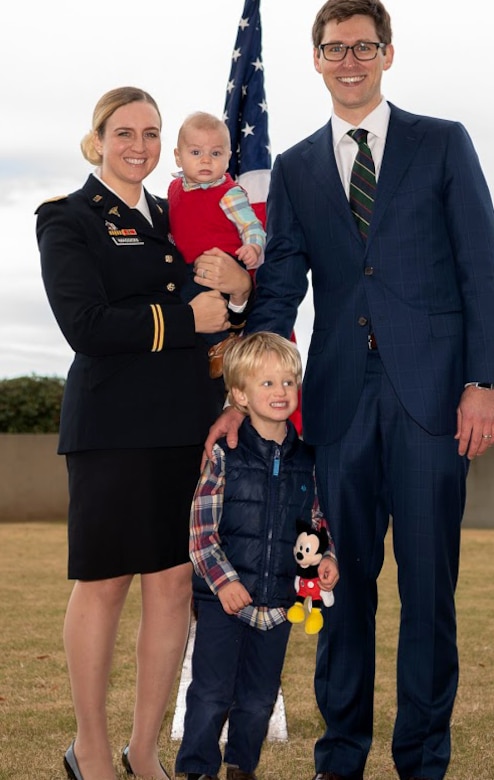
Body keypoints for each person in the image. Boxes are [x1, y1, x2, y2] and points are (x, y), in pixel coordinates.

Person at [204, 2, 494, 779]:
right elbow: (279, 291)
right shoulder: (297, 166)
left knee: (428, 591)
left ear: (388, 55)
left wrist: (482, 382)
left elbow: (481, 270)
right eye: (335, 48)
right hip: (334, 406)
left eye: (364, 46)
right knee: (336, 587)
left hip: (433, 402)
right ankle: (341, 756)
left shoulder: (443, 144)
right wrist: (242, 393)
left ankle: (423, 758)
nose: (350, 59)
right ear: (317, 60)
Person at [35, 86, 252, 780]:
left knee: (171, 584)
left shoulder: (182, 210)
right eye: (124, 132)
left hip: (186, 425)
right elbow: (87, 326)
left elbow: (226, 307)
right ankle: (91, 750)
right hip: (112, 427)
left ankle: (145, 748)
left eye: (152, 133)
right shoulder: (68, 218)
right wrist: (192, 320)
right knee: (103, 583)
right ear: (97, 139)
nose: (139, 145)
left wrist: (239, 288)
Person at [176, 332, 339, 780]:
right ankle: (197, 769)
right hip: (224, 600)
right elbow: (201, 530)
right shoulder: (225, 455)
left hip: (279, 604)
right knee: (210, 692)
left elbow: (317, 521)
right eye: (266, 384)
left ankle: (242, 768)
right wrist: (224, 581)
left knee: (259, 696)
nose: (280, 392)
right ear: (239, 394)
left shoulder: (309, 459)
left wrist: (326, 558)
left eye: (288, 381)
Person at [168, 111, 266, 364]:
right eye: (196, 152)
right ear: (178, 156)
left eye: (215, 153)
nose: (206, 161)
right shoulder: (174, 189)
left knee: (193, 296)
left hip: (224, 263)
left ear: (228, 157)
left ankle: (223, 344)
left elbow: (252, 225)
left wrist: (253, 247)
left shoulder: (228, 194)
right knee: (181, 296)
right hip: (191, 264)